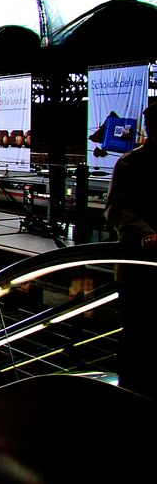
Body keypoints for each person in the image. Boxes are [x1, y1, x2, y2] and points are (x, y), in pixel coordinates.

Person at [105, 101, 157, 400]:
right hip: (137, 266)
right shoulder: (130, 163)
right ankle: (131, 392)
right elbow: (115, 210)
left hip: (138, 270)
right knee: (137, 336)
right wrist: (147, 235)